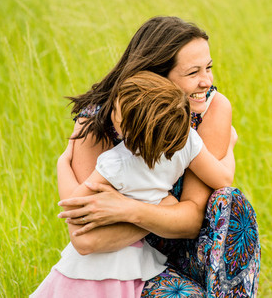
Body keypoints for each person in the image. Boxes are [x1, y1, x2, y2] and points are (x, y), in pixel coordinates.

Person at [54, 17, 259, 297]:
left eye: (208, 68)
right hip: (125, 264)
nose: (207, 81)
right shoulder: (99, 123)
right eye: (193, 73)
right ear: (154, 77)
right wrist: (165, 208)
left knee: (231, 202)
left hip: (189, 251)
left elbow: (191, 220)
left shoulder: (210, 109)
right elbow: (86, 239)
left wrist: (128, 209)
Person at [33, 71, 238, 296]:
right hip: (136, 258)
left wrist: (62, 164)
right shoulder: (188, 142)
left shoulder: (117, 161)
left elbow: (75, 204)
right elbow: (224, 178)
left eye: (116, 112)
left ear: (128, 131)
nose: (111, 113)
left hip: (96, 263)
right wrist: (229, 145)